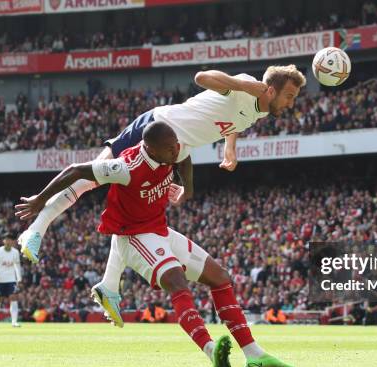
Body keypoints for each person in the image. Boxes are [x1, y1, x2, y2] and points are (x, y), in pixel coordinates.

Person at [16, 121, 292, 367]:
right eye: (169, 150)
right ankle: (211, 351)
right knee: (178, 282)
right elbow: (76, 170)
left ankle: (253, 353)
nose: (176, 152)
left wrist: (189, 189)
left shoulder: (172, 149)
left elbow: (184, 158)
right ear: (152, 149)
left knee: (220, 278)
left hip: (159, 229)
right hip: (134, 235)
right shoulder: (125, 168)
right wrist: (40, 199)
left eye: (176, 147)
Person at [18, 65, 306, 264]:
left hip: (175, 150)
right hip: (158, 126)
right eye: (290, 96)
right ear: (269, 90)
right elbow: (201, 77)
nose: (292, 103)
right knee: (93, 174)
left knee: (128, 207)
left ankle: (108, 286)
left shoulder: (261, 111)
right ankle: (35, 230)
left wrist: (230, 147)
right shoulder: (246, 87)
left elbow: (237, 120)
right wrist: (239, 83)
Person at [0, 233, 22, 328]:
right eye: (6, 239)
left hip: (11, 279)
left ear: (13, 242)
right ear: (4, 241)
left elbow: (17, 265)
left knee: (13, 298)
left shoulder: (15, 252)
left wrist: (19, 278)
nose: (8, 241)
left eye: (10, 240)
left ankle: (14, 322)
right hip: (0, 279)